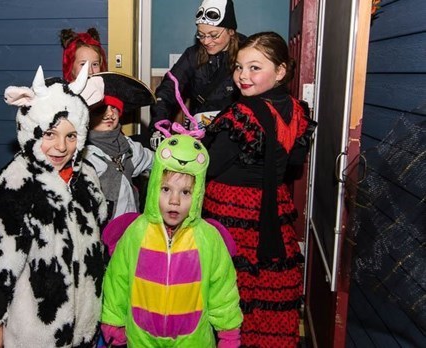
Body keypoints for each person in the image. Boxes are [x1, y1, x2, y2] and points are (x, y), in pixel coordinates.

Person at [0, 63, 108, 347]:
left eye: (71, 135)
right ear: (31, 131)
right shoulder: (11, 188)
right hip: (34, 334)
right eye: (49, 134)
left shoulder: (87, 179)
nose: (61, 147)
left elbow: (95, 238)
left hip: (83, 329)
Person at [202, 32, 317, 347]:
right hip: (273, 212)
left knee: (227, 293)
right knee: (265, 292)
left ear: (280, 71)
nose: (243, 76)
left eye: (255, 68)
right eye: (239, 67)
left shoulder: (242, 114)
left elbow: (207, 166)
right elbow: (294, 160)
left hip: (232, 216)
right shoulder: (297, 110)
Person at [100, 133, 243, 347]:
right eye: (166, 189)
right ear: (155, 186)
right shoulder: (136, 233)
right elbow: (117, 280)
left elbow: (223, 290)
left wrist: (229, 333)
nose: (174, 201)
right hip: (141, 339)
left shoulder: (208, 238)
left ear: (197, 196)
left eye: (185, 192)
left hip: (193, 341)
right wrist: (113, 323)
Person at [148, 0, 244, 149]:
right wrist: (159, 125)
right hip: (200, 133)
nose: (206, 41)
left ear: (231, 31)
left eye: (213, 35)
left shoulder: (247, 52)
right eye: (201, 35)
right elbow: (169, 88)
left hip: (235, 134)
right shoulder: (193, 55)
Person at [81, 72, 156, 220]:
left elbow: (155, 160)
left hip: (131, 229)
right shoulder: (84, 155)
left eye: (114, 108)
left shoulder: (128, 147)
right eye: (101, 109)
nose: (110, 114)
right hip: (102, 233)